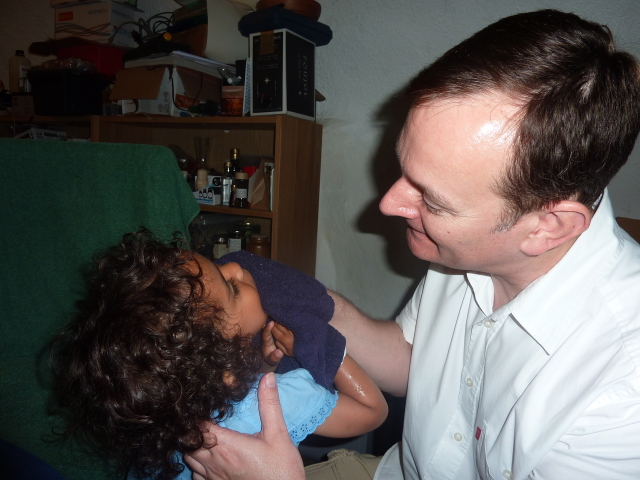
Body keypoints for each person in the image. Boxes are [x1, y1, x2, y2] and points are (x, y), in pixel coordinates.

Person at [184, 9, 640, 480]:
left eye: (433, 200)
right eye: (404, 168)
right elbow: (411, 361)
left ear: (547, 227)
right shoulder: (465, 250)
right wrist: (306, 303)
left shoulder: (623, 391)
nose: (388, 204)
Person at [53, 231, 387, 480]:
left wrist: (264, 365)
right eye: (233, 289)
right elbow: (372, 411)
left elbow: (231, 386)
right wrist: (321, 345)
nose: (235, 268)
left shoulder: (158, 421)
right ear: (226, 367)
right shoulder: (280, 401)